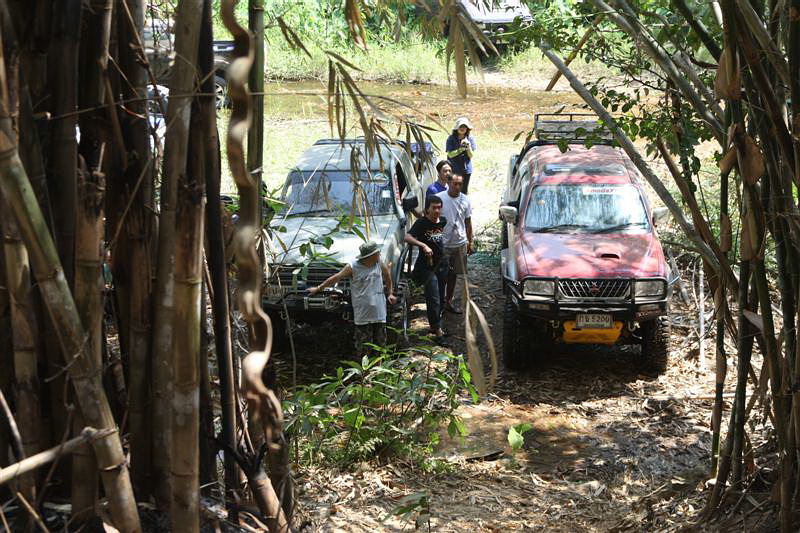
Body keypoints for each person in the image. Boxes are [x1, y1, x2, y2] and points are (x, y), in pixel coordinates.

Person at [308, 241, 397, 355]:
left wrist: (390, 293)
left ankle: (379, 366)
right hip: (362, 313)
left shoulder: (379, 263)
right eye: (377, 252)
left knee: (380, 346)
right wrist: (319, 288)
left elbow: (387, 275)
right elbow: (336, 278)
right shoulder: (353, 266)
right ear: (370, 255)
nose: (380, 254)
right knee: (364, 347)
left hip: (379, 312)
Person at [404, 195, 449, 340]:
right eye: (433, 208)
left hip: (441, 264)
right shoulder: (421, 223)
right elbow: (407, 237)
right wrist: (423, 245)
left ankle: (435, 325)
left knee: (441, 297)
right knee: (433, 297)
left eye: (439, 208)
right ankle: (437, 330)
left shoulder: (443, 221)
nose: (437, 211)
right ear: (427, 209)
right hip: (426, 267)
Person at [436, 173, 473, 314]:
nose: (457, 187)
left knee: (454, 274)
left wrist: (470, 241)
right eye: (454, 184)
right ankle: (439, 303)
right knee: (441, 275)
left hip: (460, 243)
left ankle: (448, 301)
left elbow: (468, 222)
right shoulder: (439, 198)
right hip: (442, 244)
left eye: (460, 184)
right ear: (448, 183)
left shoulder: (466, 200)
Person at [445, 117, 477, 194]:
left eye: (464, 127)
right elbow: (450, 154)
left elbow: (471, 155)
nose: (462, 128)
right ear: (457, 128)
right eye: (461, 126)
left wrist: (468, 147)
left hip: (466, 170)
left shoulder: (470, 138)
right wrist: (461, 149)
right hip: (454, 169)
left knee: (464, 191)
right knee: (453, 191)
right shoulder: (451, 139)